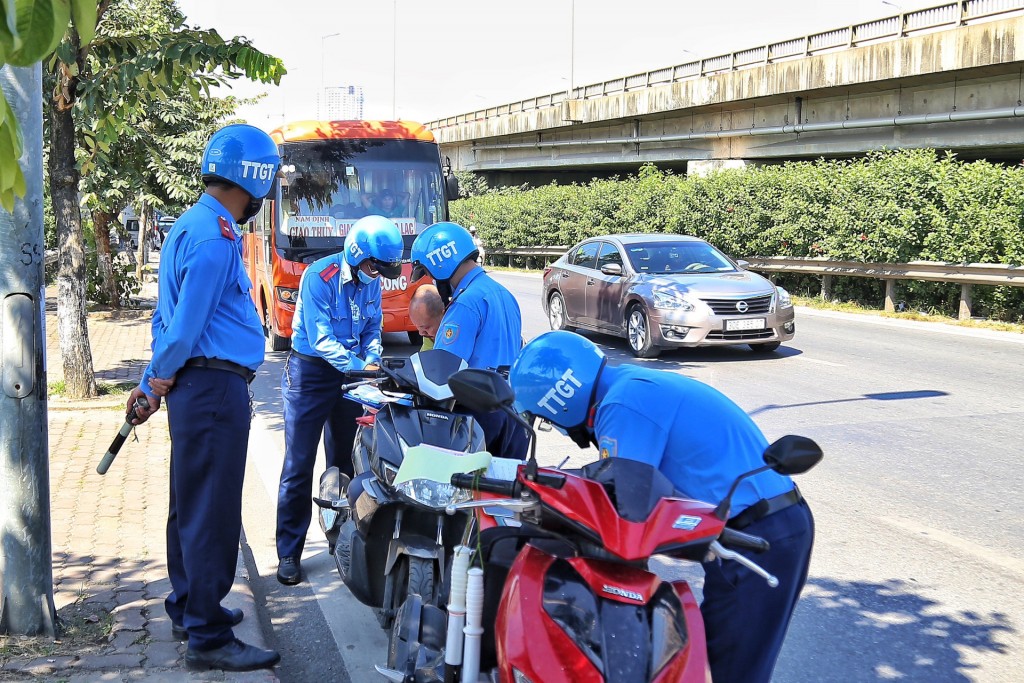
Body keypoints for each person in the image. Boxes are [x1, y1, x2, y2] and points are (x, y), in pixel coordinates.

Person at [509, 330, 815, 683]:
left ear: (558, 400)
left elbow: (624, 508)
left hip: (759, 535)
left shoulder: (621, 405)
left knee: (729, 668)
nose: (560, 430)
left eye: (547, 419)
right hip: (761, 525)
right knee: (718, 656)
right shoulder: (626, 385)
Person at [125, 124, 281, 672]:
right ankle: (209, 635)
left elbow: (165, 317)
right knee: (211, 511)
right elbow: (184, 329)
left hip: (198, 388)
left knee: (189, 504)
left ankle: (189, 605)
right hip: (213, 388)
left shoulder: (192, 225)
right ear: (254, 180)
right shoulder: (216, 239)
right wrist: (152, 380)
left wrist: (155, 378)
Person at [276, 214, 404, 585]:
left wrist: (374, 356)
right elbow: (320, 339)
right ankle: (289, 552)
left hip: (352, 375)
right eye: (371, 266)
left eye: (381, 269)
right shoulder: (319, 276)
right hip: (310, 374)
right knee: (298, 465)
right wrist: (359, 365)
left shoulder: (371, 282)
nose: (374, 275)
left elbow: (371, 328)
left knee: (347, 460)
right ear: (355, 253)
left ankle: (341, 538)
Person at [409, 222, 527, 458]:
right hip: (515, 413)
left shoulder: (464, 305)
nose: (432, 280)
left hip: (479, 417)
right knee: (505, 490)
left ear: (440, 264)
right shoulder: (504, 294)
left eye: (429, 273)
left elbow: (441, 372)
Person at [408, 283, 444, 351]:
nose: (421, 333)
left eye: (426, 327)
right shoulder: (429, 336)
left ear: (443, 316)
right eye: (418, 328)